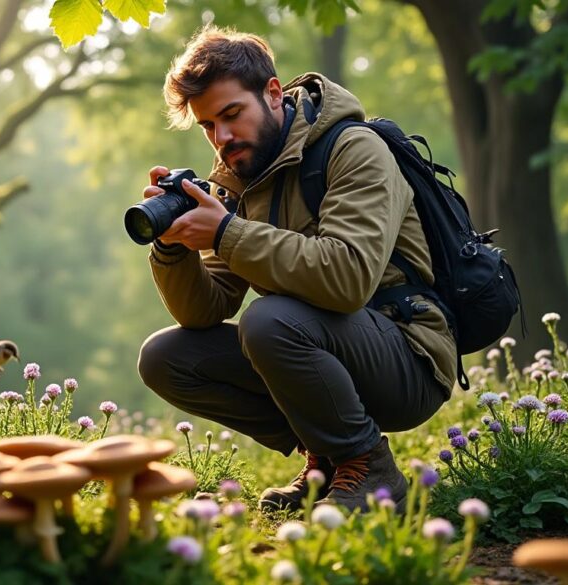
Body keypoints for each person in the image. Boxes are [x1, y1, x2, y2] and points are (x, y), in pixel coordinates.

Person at [137, 26, 456, 512]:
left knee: (269, 321)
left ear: (272, 93)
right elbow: (205, 310)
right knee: (166, 357)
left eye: (231, 115)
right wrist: (173, 247)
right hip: (317, 347)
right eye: (207, 126)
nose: (222, 138)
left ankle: (369, 465)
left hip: (407, 357)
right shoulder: (239, 180)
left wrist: (225, 232)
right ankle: (325, 460)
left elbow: (348, 279)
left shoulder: (354, 148)